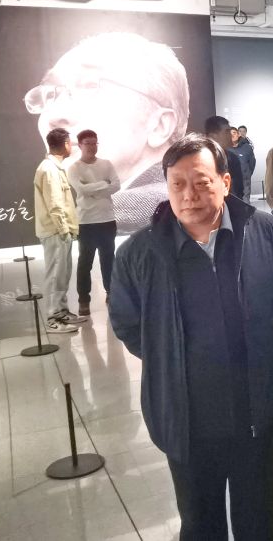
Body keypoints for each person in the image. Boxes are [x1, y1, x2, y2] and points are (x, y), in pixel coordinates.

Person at [109, 134, 273, 541]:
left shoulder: (265, 232)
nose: (188, 194)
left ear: (225, 182)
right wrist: (171, 355)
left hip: (255, 407)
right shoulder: (139, 253)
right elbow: (128, 324)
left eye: (201, 182)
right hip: (187, 415)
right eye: (177, 184)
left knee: (257, 513)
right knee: (198, 520)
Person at [25, 32, 190, 234]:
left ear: (159, 126)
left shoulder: (127, 220)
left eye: (90, 85)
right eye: (50, 94)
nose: (54, 115)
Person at [33, 127, 87, 332]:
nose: (71, 146)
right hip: (56, 232)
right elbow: (55, 204)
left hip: (61, 231)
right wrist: (63, 230)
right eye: (69, 142)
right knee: (55, 274)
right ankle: (53, 318)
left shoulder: (54, 168)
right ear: (64, 144)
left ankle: (62, 312)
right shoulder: (49, 169)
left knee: (62, 273)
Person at [67, 129, 120, 315]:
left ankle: (111, 293)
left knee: (108, 259)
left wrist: (92, 189)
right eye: (88, 143)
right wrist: (103, 184)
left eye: (94, 142)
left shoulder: (106, 164)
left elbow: (116, 185)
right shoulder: (74, 168)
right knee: (85, 262)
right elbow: (80, 190)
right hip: (86, 221)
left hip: (107, 219)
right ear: (80, 145)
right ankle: (84, 300)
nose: (92, 146)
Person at [204, 116, 244, 200]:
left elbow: (239, 189)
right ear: (213, 136)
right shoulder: (199, 160)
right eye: (226, 132)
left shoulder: (232, 158)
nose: (230, 135)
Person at [231, 126, 257, 202]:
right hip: (231, 181)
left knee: (245, 202)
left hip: (245, 180)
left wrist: (247, 174)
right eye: (230, 134)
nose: (232, 135)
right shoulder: (225, 148)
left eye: (234, 133)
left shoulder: (247, 147)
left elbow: (252, 163)